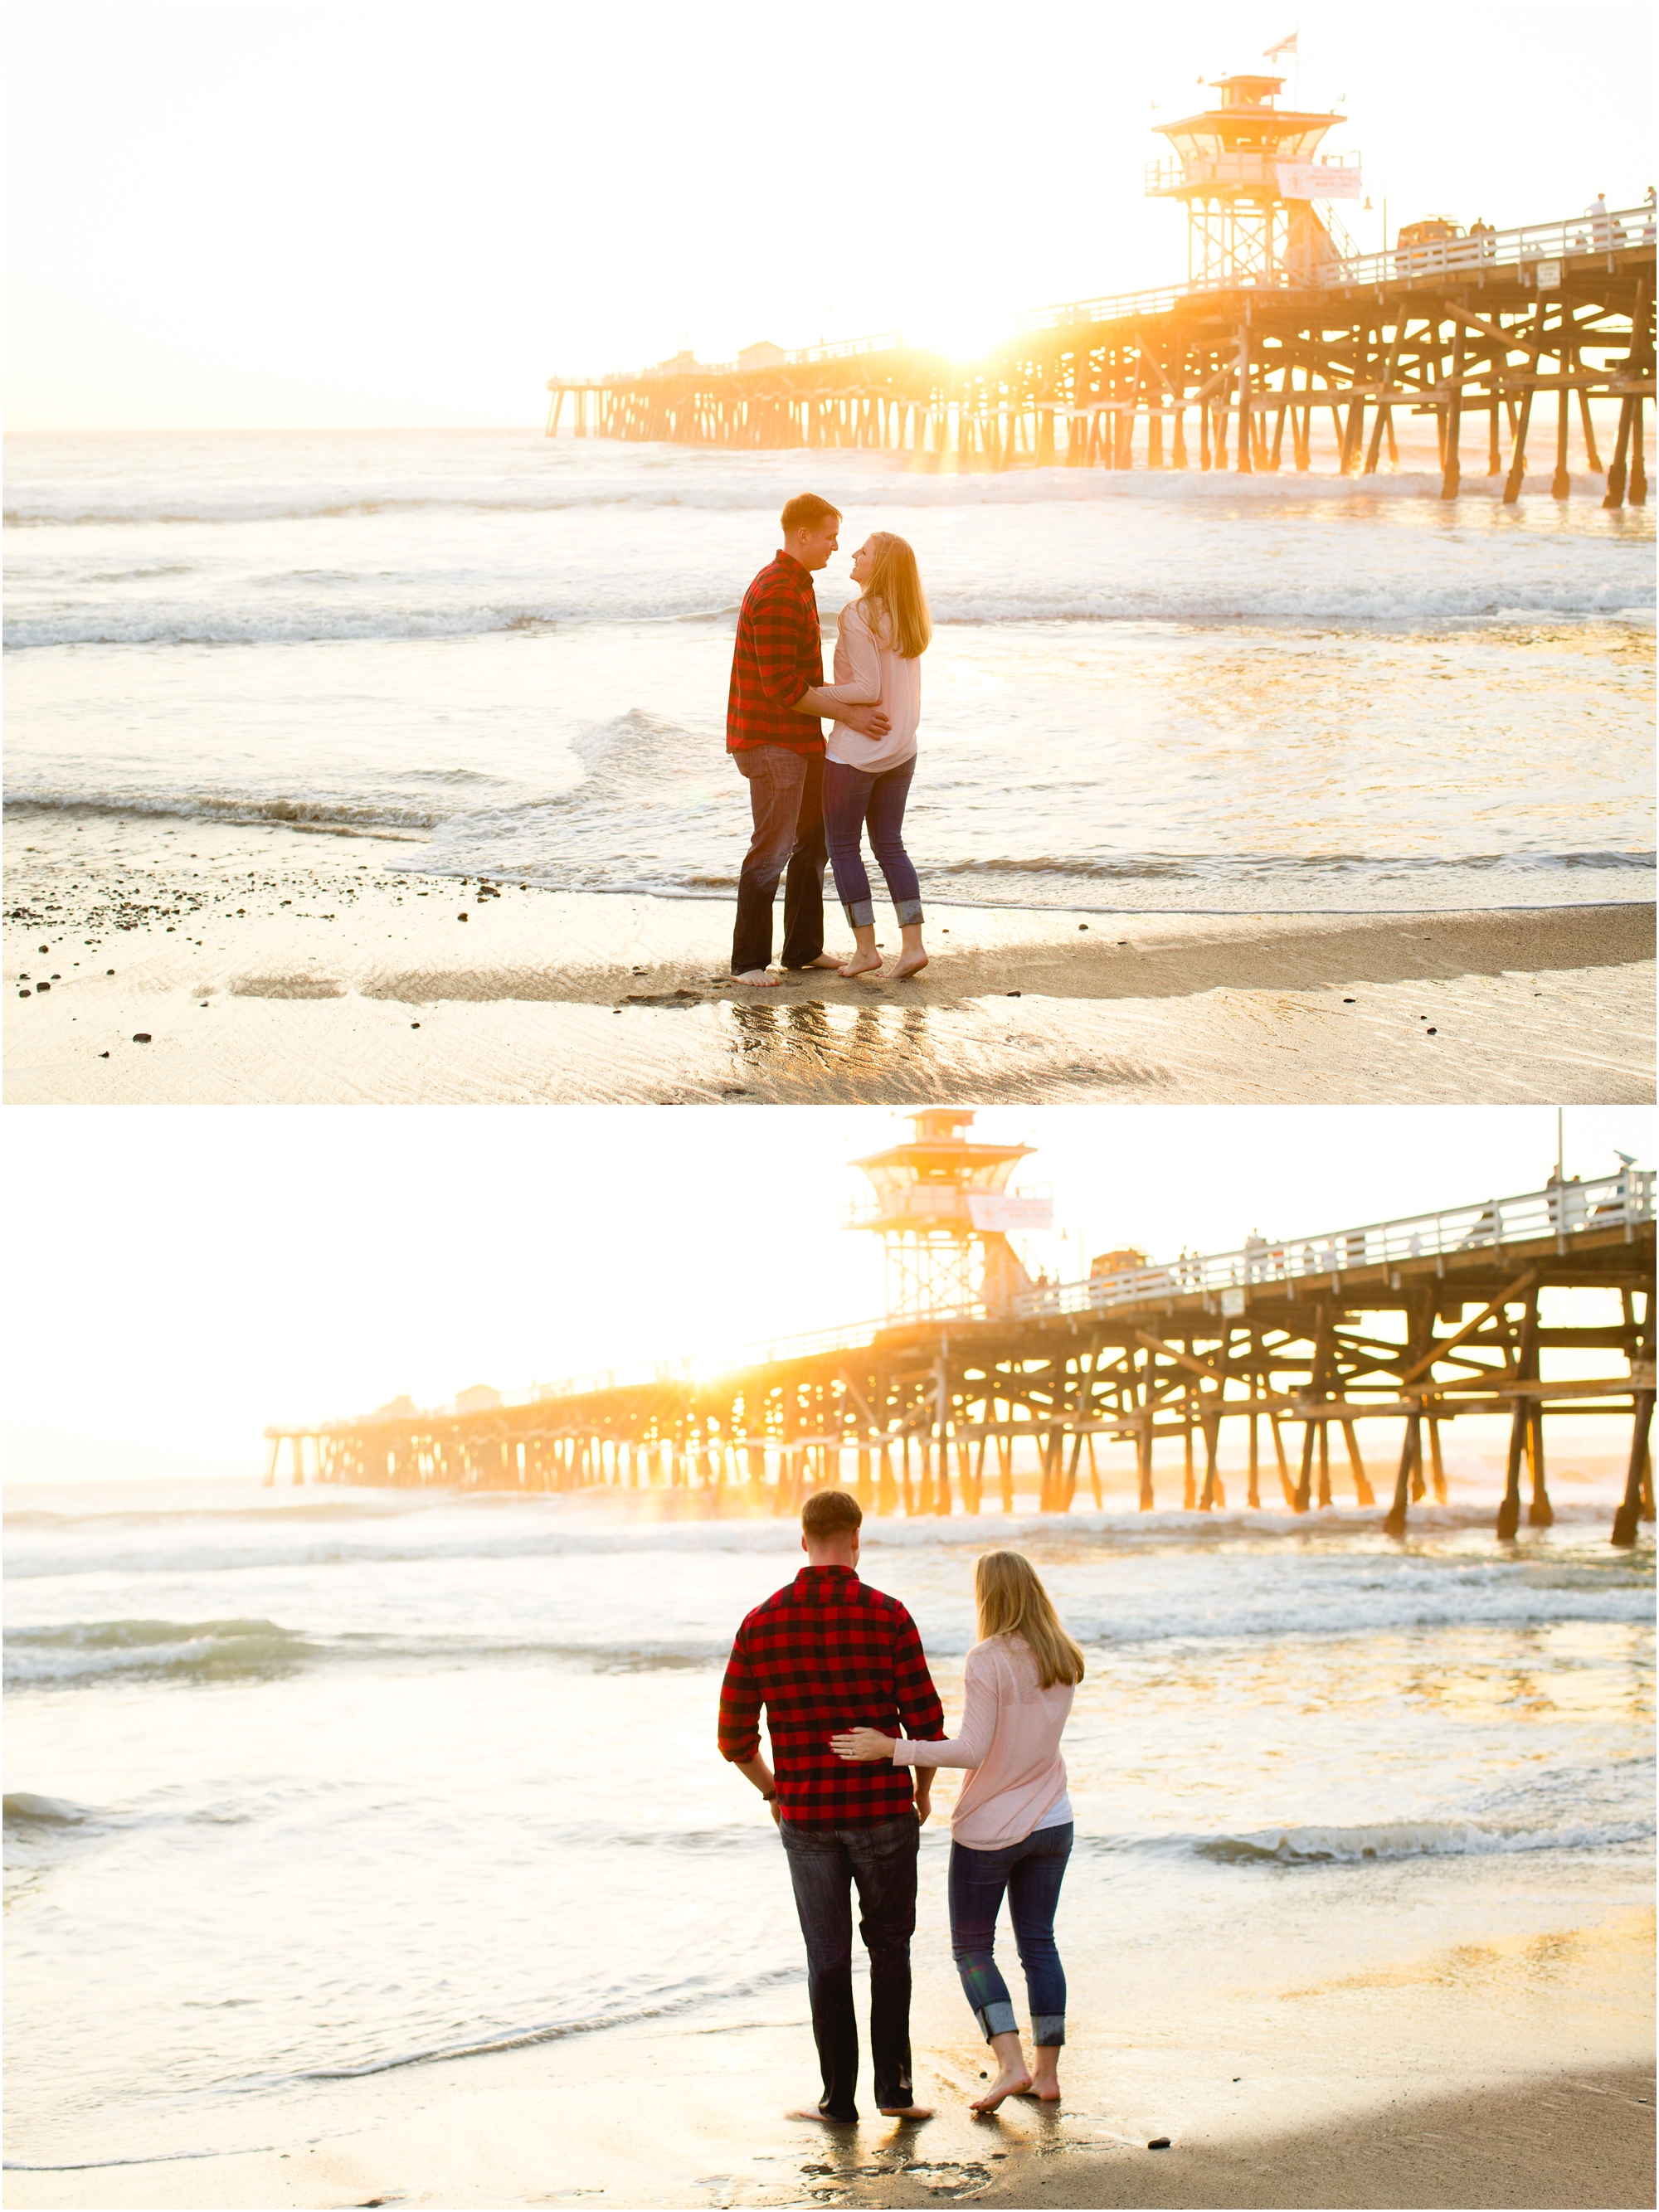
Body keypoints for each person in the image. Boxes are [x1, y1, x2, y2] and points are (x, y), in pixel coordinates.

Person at [718, 1487, 943, 2124]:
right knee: (890, 1947)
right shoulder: (889, 1614)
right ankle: (895, 2092)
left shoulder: (760, 1621)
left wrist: (774, 1790)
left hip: (808, 1819)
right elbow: (926, 1725)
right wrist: (921, 1792)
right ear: (856, 1537)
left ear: (803, 1539)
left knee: (827, 1957)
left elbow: (732, 1737)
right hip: (882, 1813)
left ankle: (836, 2099)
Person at [831, 1550, 1084, 2113]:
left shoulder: (987, 1657)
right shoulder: (1064, 1656)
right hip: (1053, 1818)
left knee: (973, 1946)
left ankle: (1010, 2062)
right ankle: (1046, 2075)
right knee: (1038, 1941)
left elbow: (971, 1748)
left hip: (991, 1829)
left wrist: (890, 1748)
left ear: (989, 1596)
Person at [726, 495, 889, 987]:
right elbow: (781, 686)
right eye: (829, 536)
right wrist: (848, 715)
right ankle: (748, 962)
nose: (836, 547)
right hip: (770, 739)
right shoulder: (777, 589)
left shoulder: (799, 584)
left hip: (799, 738)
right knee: (772, 848)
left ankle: (801, 947)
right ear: (803, 535)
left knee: (813, 841)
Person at [797, 532, 932, 981]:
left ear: (881, 566)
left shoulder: (858, 613)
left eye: (864, 551)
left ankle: (866, 950)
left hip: (857, 752)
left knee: (842, 848)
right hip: (902, 748)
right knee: (890, 845)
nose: (853, 554)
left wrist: (810, 694)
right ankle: (912, 946)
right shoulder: (909, 615)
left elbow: (867, 690)